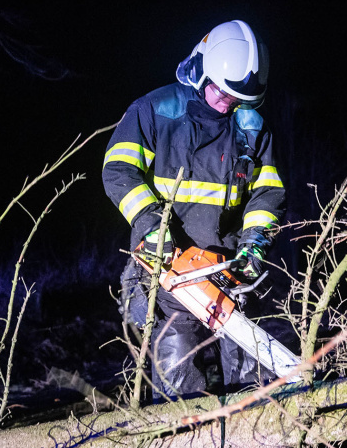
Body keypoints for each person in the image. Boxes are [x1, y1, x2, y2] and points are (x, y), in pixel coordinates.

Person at [103, 20, 285, 402]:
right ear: (202, 70)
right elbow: (118, 169)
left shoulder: (252, 129)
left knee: (252, 377)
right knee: (179, 380)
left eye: (237, 96)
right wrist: (151, 223)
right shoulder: (156, 112)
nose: (226, 102)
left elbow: (267, 194)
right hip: (169, 271)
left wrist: (254, 243)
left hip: (229, 271)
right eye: (222, 89)